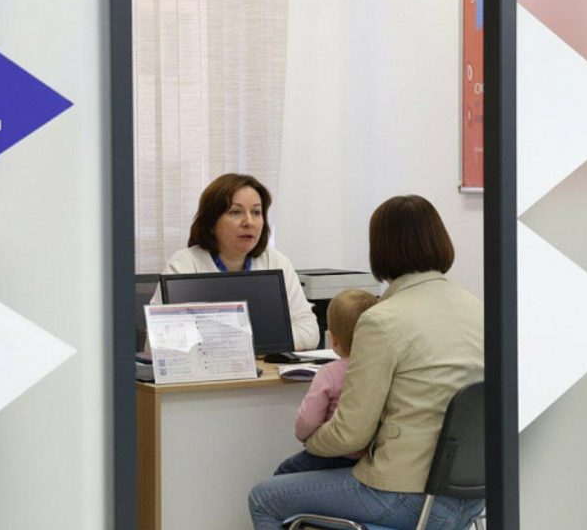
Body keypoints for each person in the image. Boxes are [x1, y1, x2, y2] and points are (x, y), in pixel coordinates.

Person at [248, 195, 485, 530]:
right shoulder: (478, 308)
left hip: (406, 497)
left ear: (380, 249)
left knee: (264, 498)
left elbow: (350, 435)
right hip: (473, 499)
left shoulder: (382, 320)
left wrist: (312, 442)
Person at [153, 173, 319, 351]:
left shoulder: (276, 262)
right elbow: (159, 340)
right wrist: (262, 339)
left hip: (267, 368)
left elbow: (310, 331)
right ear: (211, 223)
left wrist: (240, 342)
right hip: (209, 369)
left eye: (256, 212)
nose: (249, 222)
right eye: (235, 212)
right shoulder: (185, 265)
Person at [274, 289, 378, 476]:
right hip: (371, 453)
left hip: (333, 453)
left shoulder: (329, 373)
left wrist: (304, 437)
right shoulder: (380, 368)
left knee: (284, 472)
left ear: (333, 340)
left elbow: (307, 420)